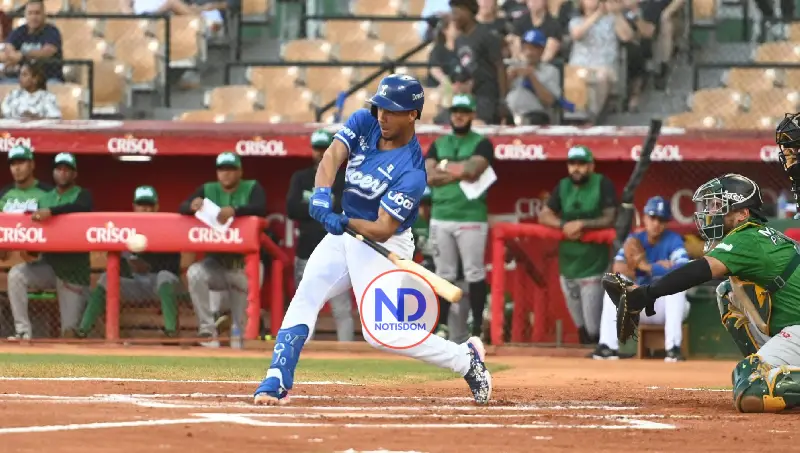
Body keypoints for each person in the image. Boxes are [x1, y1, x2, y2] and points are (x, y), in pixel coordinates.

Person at [252, 74, 491, 406]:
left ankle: (465, 359)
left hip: (384, 244)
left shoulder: (412, 171)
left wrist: (344, 219)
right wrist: (322, 194)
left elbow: (382, 228)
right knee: (308, 290)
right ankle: (278, 376)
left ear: (412, 114)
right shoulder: (366, 121)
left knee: (382, 333)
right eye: (380, 108)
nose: (383, 116)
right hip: (345, 234)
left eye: (392, 111)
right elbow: (333, 156)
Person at [614, 172, 800, 413]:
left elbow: (700, 270)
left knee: (752, 386)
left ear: (743, 214)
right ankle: (769, 364)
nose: (711, 212)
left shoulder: (747, 238)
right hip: (792, 329)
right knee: (727, 293)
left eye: (719, 206)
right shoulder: (756, 235)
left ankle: (765, 373)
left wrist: (648, 292)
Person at [179, 152, 267, 348]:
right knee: (195, 273)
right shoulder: (207, 189)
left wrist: (235, 210)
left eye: (230, 169)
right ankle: (208, 330)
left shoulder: (252, 187)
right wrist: (192, 206)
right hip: (216, 266)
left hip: (245, 267)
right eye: (221, 169)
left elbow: (261, 208)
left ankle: (240, 360)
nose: (225, 174)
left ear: (240, 171)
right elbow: (183, 206)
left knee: (241, 334)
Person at [425, 93, 494, 340]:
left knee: (474, 272)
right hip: (441, 214)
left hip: (471, 216)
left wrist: (444, 168)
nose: (459, 115)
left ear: (472, 114)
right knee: (444, 273)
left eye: (464, 111)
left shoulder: (482, 142)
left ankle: (476, 325)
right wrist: (459, 171)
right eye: (455, 111)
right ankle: (442, 325)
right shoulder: (438, 143)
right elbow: (429, 176)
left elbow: (473, 171)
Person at [71, 186, 182, 339]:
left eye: (149, 205)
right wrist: (128, 267)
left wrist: (150, 266)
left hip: (158, 284)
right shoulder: (125, 228)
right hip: (134, 284)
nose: (145, 209)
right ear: (134, 207)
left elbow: (174, 267)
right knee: (106, 278)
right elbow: (118, 263)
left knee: (164, 275)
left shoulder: (167, 228)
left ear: (156, 207)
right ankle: (82, 331)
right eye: (141, 205)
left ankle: (171, 332)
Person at [593, 196, 690, 361]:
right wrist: (652, 269)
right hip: (640, 306)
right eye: (653, 218)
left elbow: (683, 268)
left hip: (665, 307)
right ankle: (607, 347)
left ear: (666, 222)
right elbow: (617, 267)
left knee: (677, 288)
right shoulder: (635, 239)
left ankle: (673, 349)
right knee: (615, 283)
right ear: (645, 217)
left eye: (661, 219)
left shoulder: (673, 240)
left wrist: (647, 267)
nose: (656, 223)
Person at [6, 153, 92, 340]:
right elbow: (38, 236)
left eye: (67, 169)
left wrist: (52, 212)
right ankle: (23, 332)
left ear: (74, 173)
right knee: (16, 274)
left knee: (69, 334)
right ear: (53, 172)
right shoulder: (44, 199)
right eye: (59, 169)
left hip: (73, 273)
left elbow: (81, 207)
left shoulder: (83, 195)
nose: (62, 173)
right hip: (48, 268)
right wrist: (29, 249)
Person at [538, 146, 617, 344]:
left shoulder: (602, 183)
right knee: (579, 324)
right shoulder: (563, 185)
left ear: (591, 165)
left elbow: (610, 217)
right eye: (572, 163)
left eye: (582, 164)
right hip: (568, 262)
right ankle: (586, 369)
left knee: (593, 326)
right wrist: (564, 225)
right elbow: (544, 215)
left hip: (594, 262)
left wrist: (583, 224)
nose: (576, 168)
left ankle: (602, 356)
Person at [286, 129, 353, 342]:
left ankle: (348, 355)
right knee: (306, 304)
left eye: (325, 148)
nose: (321, 152)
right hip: (306, 250)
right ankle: (303, 355)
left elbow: (343, 208)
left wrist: (314, 209)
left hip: (336, 251)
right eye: (317, 148)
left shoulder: (344, 178)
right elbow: (291, 208)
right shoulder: (301, 177)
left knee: (341, 308)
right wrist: (323, 210)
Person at [568, 0, 634, 120]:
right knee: (575, 76)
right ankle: (574, 118)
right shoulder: (576, 21)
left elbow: (627, 37)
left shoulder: (611, 20)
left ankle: (594, 116)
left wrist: (617, 14)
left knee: (601, 76)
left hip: (604, 66)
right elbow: (577, 34)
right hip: (580, 65)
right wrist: (597, 14)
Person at [451, 0, 509, 125]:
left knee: (476, 125)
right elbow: (461, 70)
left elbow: (500, 68)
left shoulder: (487, 36)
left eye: (456, 13)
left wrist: (503, 101)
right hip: (467, 96)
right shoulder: (458, 40)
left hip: (487, 96)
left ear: (468, 12)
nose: (453, 17)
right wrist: (459, 84)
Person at [505, 29, 561, 125]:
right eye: (525, 48)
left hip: (535, 117)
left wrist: (532, 77)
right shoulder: (513, 67)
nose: (528, 52)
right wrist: (507, 79)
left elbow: (549, 101)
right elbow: (502, 93)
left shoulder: (550, 71)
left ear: (541, 50)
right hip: (510, 115)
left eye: (532, 49)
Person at [0, 0, 63, 83]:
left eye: (37, 13)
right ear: (25, 15)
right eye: (30, 13)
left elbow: (47, 51)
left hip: (47, 78)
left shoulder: (52, 31)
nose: (33, 17)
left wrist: (23, 55)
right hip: (21, 80)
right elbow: (8, 48)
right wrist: (12, 55)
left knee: (55, 85)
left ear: (44, 15)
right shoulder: (19, 31)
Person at [0, 145, 52, 213]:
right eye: (13, 164)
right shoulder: (3, 195)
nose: (17, 168)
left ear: (32, 164)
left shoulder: (49, 193)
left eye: (21, 163)